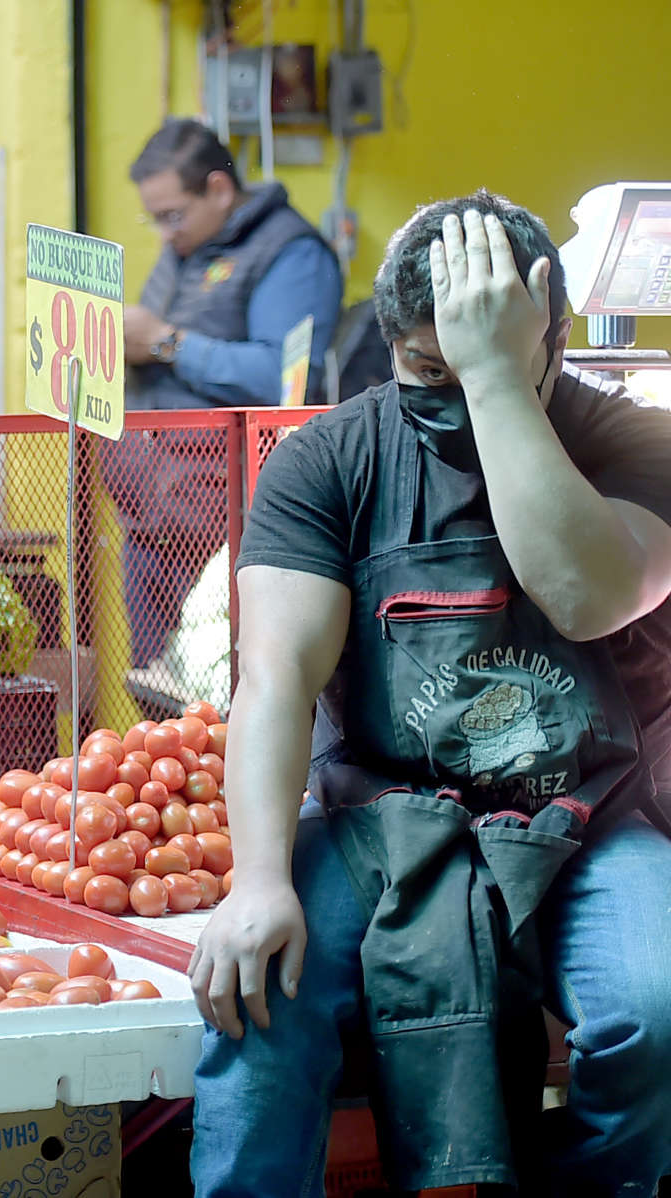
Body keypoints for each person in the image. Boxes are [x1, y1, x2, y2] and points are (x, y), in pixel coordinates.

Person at [189, 191, 671, 1197]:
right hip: (379, 819)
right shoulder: (326, 460)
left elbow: (587, 594)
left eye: (478, 364)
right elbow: (276, 676)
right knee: (258, 1008)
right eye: (424, 370)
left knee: (657, 1010)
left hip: (593, 817)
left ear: (555, 338)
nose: (449, 394)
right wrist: (262, 879)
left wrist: (500, 382)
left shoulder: (634, 444)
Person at [112, 119, 344, 675]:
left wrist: (167, 342)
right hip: (152, 523)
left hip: (226, 527)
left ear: (218, 188)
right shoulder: (186, 248)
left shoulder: (292, 255)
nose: (165, 233)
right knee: (161, 711)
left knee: (219, 697)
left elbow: (281, 378)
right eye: (156, 218)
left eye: (173, 215)